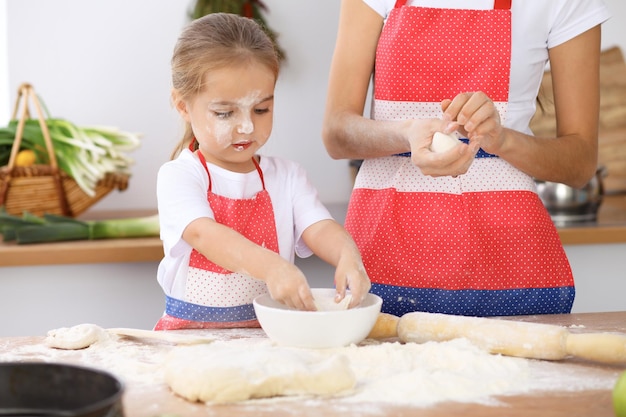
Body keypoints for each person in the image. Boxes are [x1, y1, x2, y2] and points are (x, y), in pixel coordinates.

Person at [322, 0, 611, 317]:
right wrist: (406, 133)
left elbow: (580, 162)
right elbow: (336, 132)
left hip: (508, 257)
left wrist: (502, 140)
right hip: (385, 247)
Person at [155, 13, 371, 330]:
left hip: (267, 340)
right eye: (225, 112)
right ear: (184, 106)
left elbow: (320, 227)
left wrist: (349, 257)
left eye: (261, 109)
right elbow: (205, 234)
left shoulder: (287, 177)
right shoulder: (180, 176)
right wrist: (272, 268)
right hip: (190, 341)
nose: (246, 126)